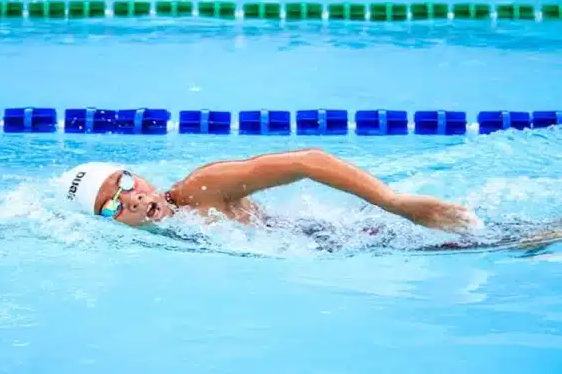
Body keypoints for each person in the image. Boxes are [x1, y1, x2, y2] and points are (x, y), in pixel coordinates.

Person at [59, 148, 479, 234]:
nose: (129, 199)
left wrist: (395, 203)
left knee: (495, 238)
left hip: (349, 240)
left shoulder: (202, 188)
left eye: (125, 184)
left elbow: (307, 161)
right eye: (111, 205)